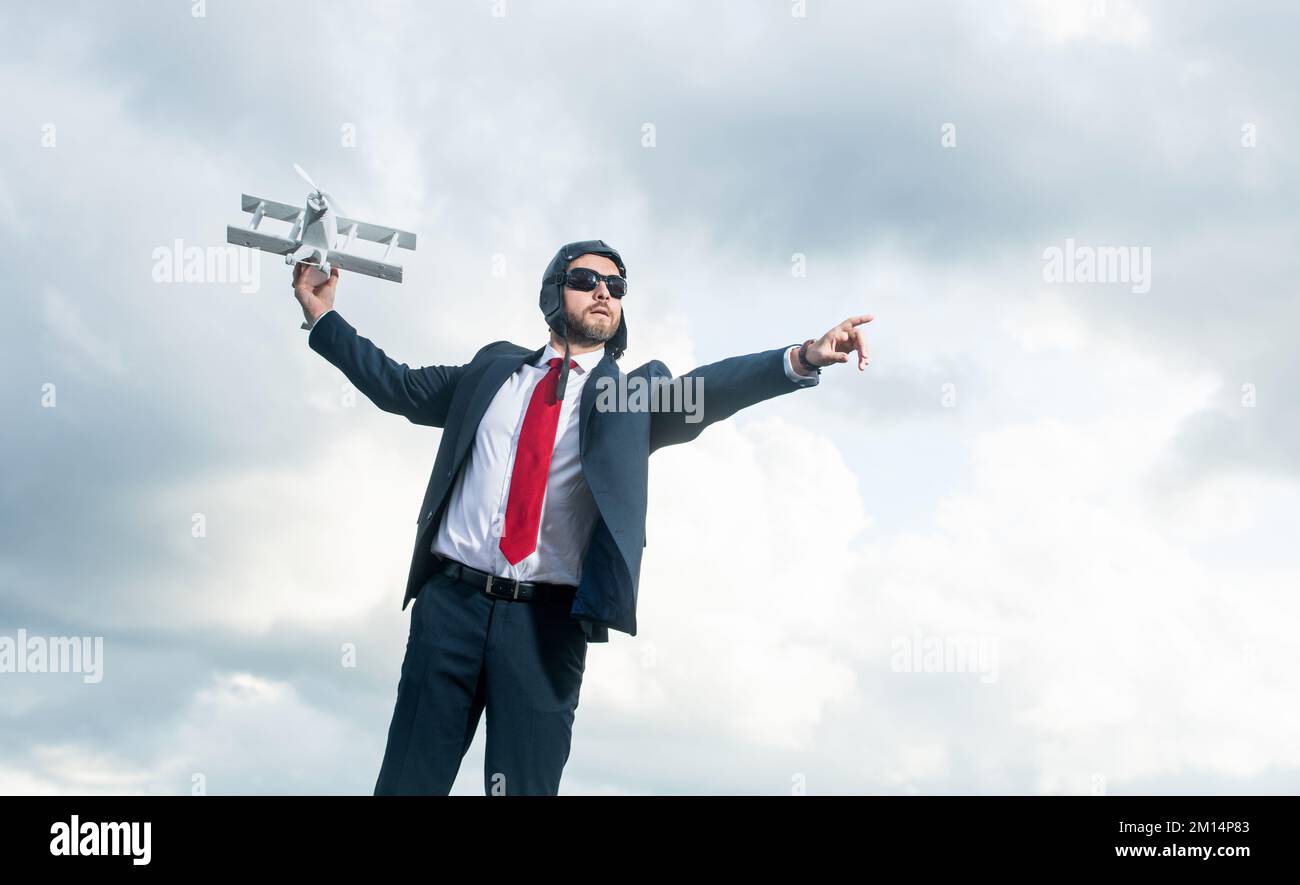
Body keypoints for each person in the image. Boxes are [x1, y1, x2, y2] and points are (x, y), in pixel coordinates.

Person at [292, 240, 872, 795]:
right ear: (552, 292)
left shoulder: (631, 400)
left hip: (546, 629)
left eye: (615, 286)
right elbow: (397, 386)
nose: (603, 292)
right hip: (450, 610)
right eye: (585, 280)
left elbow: (711, 389)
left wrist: (801, 358)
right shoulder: (492, 370)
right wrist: (323, 317)